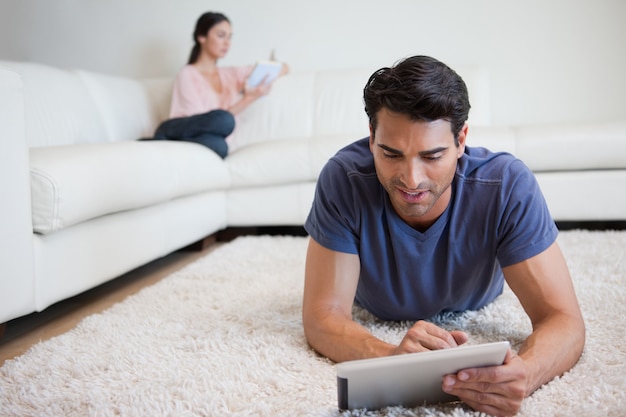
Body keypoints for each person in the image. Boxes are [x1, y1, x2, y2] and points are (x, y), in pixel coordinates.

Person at [302, 55, 585, 416]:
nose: (411, 179)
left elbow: (564, 320)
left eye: (432, 155)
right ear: (372, 138)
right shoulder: (343, 179)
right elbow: (322, 316)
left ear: (461, 139)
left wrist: (527, 373)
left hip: (478, 298)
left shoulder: (506, 185)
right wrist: (392, 357)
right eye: (390, 153)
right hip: (377, 309)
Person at [153, 12, 288, 158]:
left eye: (230, 37)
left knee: (220, 146)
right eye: (221, 35)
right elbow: (201, 122)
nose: (227, 42)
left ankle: (167, 144)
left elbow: (284, 67)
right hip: (178, 129)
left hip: (207, 139)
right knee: (224, 120)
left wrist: (261, 79)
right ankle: (163, 137)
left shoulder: (230, 74)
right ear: (202, 37)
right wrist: (249, 98)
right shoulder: (187, 74)